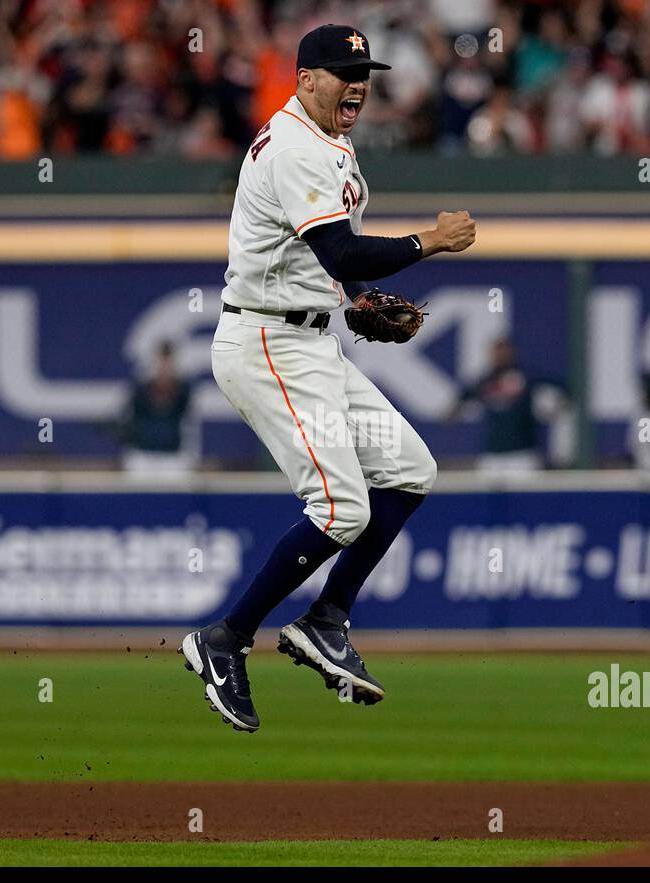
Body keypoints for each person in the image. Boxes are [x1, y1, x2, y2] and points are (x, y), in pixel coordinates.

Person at [179, 24, 476, 732]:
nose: (357, 83)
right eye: (342, 71)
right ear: (304, 79)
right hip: (267, 342)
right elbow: (340, 244)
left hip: (309, 336)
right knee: (343, 508)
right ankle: (224, 640)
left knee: (410, 469)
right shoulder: (294, 146)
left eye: (364, 70)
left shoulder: (329, 142)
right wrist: (429, 241)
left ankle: (327, 619)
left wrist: (351, 298)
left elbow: (321, 258)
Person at [451, 337, 574, 473]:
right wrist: (453, 412)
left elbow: (563, 388)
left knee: (524, 492)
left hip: (523, 453)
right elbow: (463, 397)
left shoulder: (526, 376)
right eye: (496, 352)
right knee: (486, 491)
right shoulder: (485, 380)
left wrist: (558, 408)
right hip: (492, 454)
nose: (500, 356)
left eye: (504, 351)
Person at [116, 341, 195, 476]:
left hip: (173, 457)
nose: (164, 365)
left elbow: (189, 421)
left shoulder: (183, 389)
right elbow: (127, 418)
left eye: (168, 360)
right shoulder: (140, 388)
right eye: (161, 359)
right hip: (142, 456)